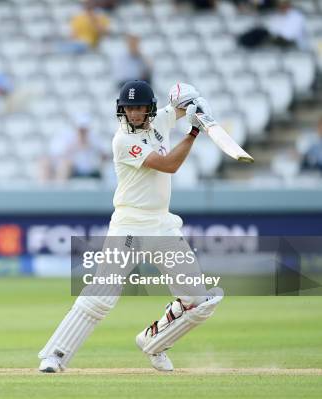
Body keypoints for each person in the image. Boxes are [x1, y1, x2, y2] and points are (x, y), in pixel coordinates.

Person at [38, 81, 224, 373]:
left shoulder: (160, 119)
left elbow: (179, 105)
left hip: (162, 224)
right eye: (129, 108)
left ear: (149, 108)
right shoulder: (123, 141)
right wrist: (195, 131)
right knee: (102, 295)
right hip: (129, 225)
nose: (134, 113)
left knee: (199, 300)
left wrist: (196, 105)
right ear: (121, 110)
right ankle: (54, 356)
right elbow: (168, 165)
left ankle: (154, 342)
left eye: (139, 107)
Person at [45, 115, 107, 181]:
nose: (82, 133)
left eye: (84, 130)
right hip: (74, 171)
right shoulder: (69, 140)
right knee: (61, 165)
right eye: (80, 130)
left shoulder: (95, 140)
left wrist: (91, 147)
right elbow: (59, 156)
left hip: (91, 171)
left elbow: (104, 156)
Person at [237, 1, 307, 50]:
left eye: (283, 5)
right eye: (280, 5)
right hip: (274, 37)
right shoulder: (276, 15)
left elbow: (288, 35)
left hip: (286, 40)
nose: (281, 7)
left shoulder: (296, 16)